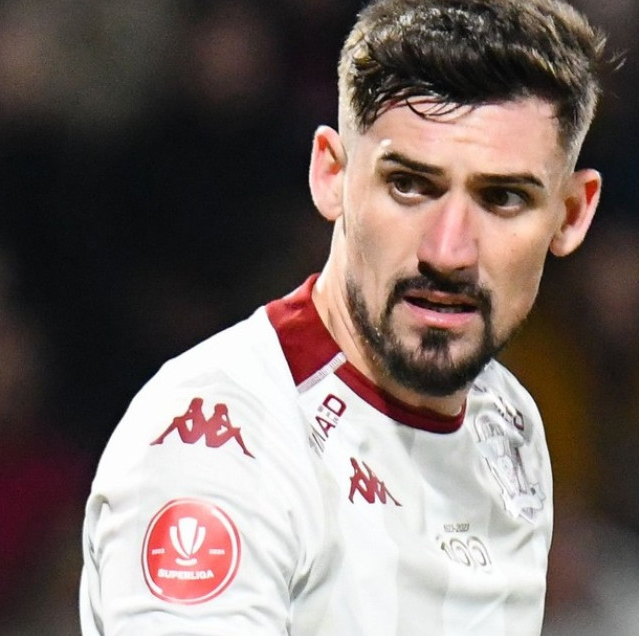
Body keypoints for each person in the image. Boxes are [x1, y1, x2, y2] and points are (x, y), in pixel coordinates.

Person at [79, 0, 608, 633]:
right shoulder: (216, 446)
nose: (448, 251)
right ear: (331, 175)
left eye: (502, 198)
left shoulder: (508, 422)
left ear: (571, 214)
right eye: (409, 185)